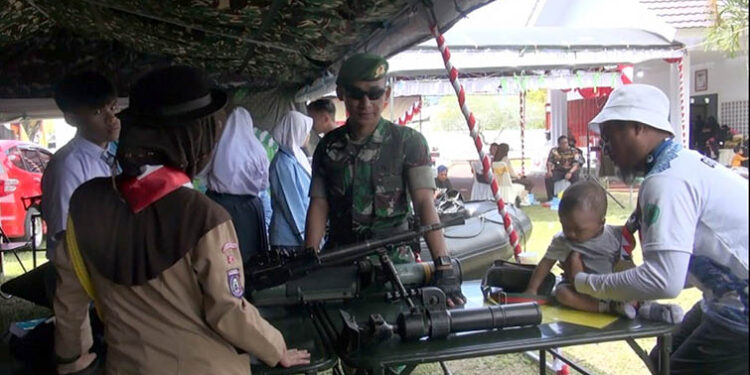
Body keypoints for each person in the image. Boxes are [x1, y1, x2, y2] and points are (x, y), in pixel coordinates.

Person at [53, 66, 309, 374]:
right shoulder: (204, 215)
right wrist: (276, 347)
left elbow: (69, 297)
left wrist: (72, 359)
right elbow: (227, 311)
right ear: (195, 136)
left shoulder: (86, 201)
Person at [566, 84, 748, 374]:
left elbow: (664, 281)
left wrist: (584, 282)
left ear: (638, 127)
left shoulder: (666, 181)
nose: (606, 149)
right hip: (725, 296)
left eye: (610, 136)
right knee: (661, 357)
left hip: (740, 306)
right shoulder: (678, 163)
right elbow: (680, 267)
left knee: (672, 369)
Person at [304, 53, 464, 306]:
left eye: (375, 94)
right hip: (339, 263)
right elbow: (319, 205)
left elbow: (424, 203)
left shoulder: (409, 143)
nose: (365, 103)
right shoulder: (327, 147)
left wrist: (443, 266)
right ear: (342, 93)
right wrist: (308, 259)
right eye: (356, 94)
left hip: (396, 266)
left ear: (386, 95)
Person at [524, 181, 683, 322]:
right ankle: (609, 307)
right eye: (565, 226)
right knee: (561, 293)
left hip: (615, 286)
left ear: (601, 223)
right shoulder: (563, 240)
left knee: (639, 286)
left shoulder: (614, 235)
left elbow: (629, 244)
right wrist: (532, 288)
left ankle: (656, 310)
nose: (571, 233)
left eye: (578, 229)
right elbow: (546, 263)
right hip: (584, 292)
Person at [41, 71, 120, 303]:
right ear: (72, 119)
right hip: (80, 273)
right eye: (98, 112)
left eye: (112, 108)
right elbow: (63, 234)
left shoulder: (117, 153)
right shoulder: (68, 165)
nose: (110, 118)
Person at [202, 106, 271, 262]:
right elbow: (264, 184)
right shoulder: (258, 150)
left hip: (218, 206)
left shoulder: (216, 148)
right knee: (250, 255)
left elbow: (202, 172)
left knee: (223, 253)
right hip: (249, 208)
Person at [269, 111, 313, 251]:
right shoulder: (283, 163)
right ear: (296, 131)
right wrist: (305, 237)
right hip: (290, 239)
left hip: (300, 235)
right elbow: (291, 204)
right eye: (305, 131)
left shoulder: (295, 158)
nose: (309, 135)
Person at [544, 135, 583, 201]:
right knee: (548, 177)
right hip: (559, 170)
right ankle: (551, 198)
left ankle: (575, 197)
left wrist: (570, 172)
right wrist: (549, 171)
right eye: (563, 143)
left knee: (576, 177)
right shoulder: (554, 151)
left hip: (571, 170)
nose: (565, 144)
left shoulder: (574, 151)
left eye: (566, 142)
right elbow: (549, 162)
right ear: (559, 144)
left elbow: (576, 164)